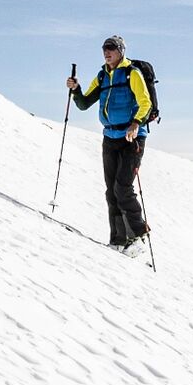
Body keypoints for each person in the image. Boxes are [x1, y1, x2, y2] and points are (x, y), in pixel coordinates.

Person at [66, 37, 154, 251]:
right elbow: (84, 103)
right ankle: (118, 240)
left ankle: (139, 236)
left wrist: (135, 124)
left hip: (131, 137)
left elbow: (146, 103)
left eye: (111, 48)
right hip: (110, 137)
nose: (107, 52)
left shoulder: (132, 73)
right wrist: (76, 89)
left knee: (122, 188)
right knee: (111, 191)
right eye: (105, 48)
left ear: (121, 51)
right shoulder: (102, 76)